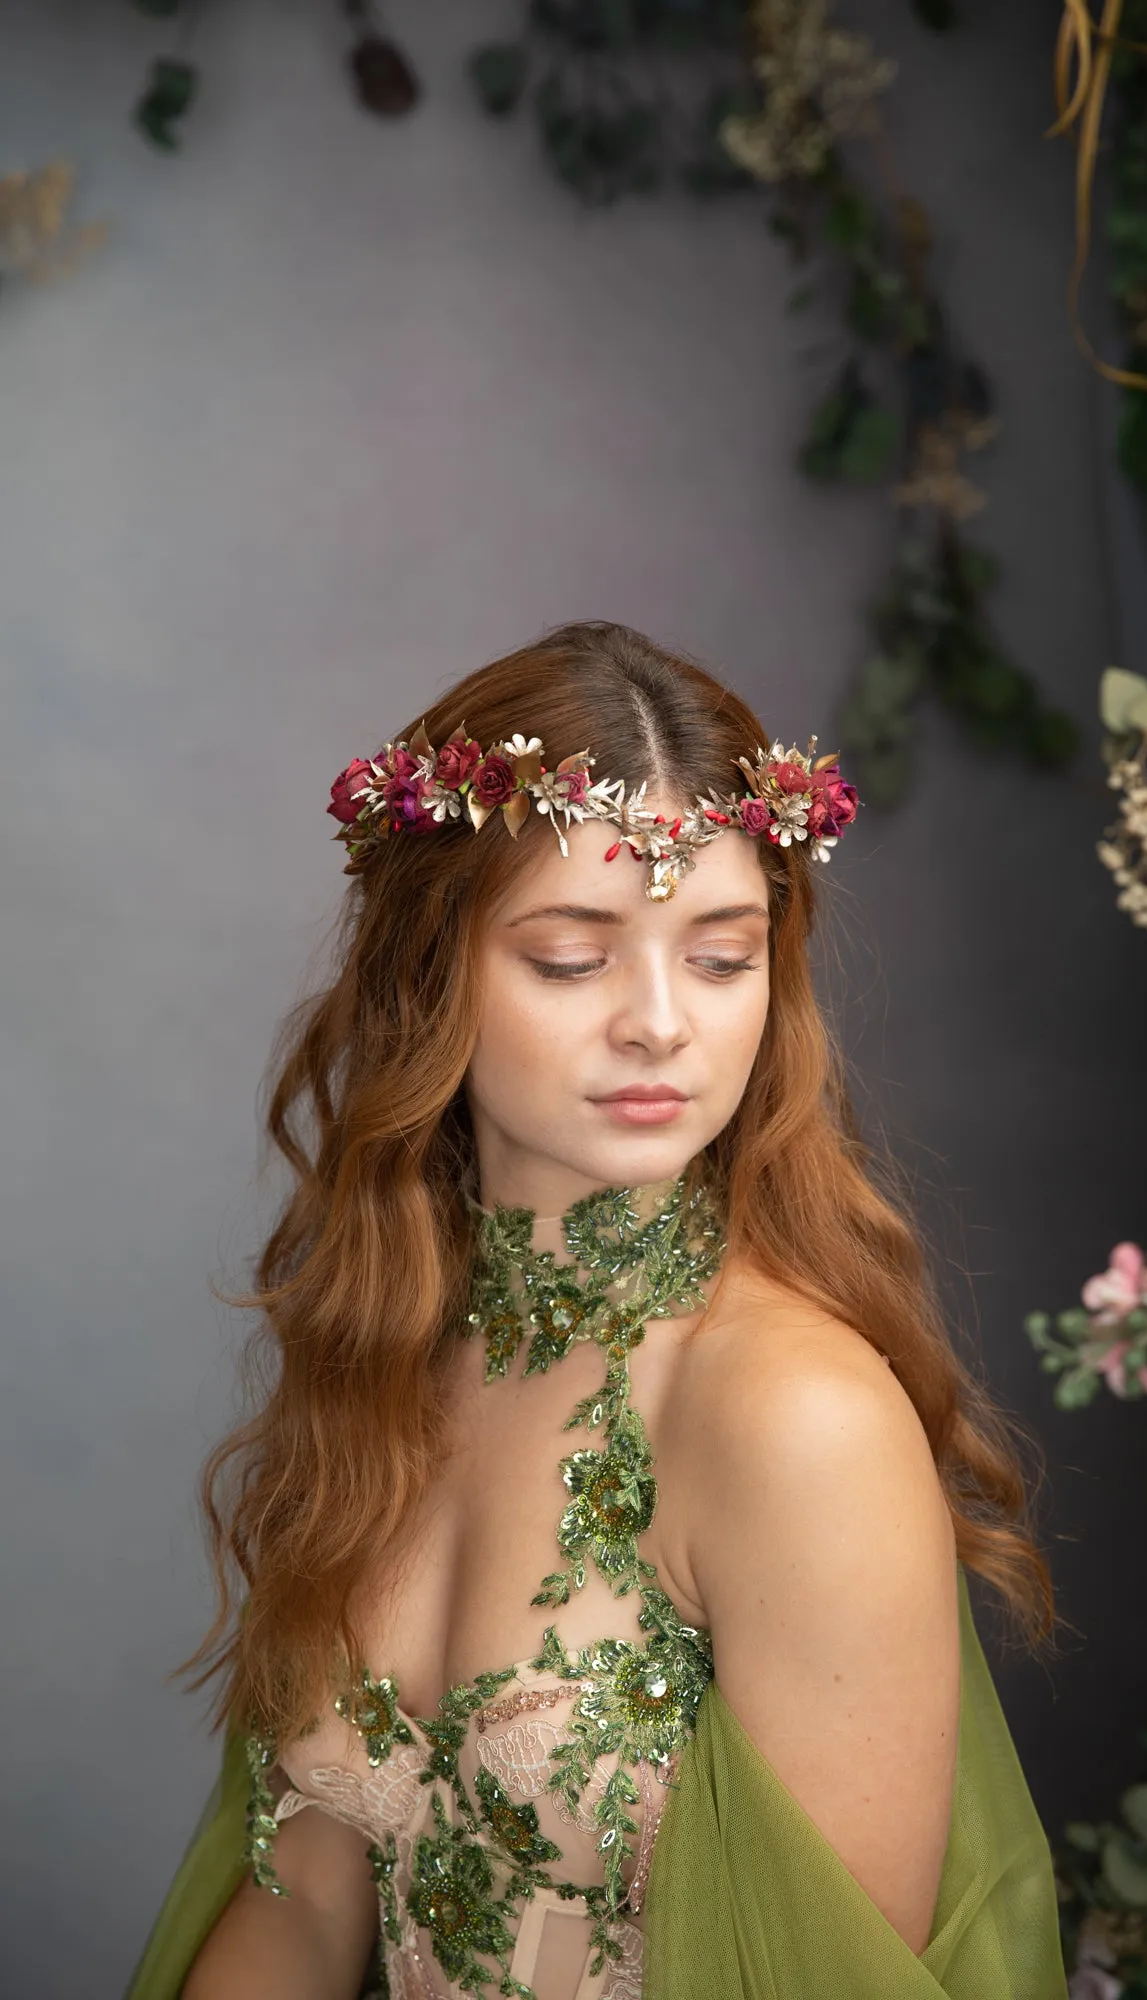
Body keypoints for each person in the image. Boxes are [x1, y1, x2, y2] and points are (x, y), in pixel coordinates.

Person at [125, 620, 1069, 2000]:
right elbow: (302, 1910)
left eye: (722, 956)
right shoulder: (387, 1367)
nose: (659, 1024)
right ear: (427, 974)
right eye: (573, 958)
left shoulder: (794, 1417)